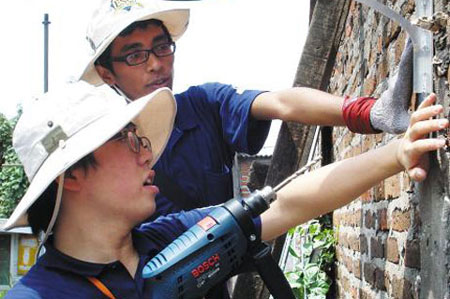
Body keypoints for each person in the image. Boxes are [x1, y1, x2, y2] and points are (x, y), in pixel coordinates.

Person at [2, 80, 446, 298]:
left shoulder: (167, 238)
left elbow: (289, 204)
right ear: (72, 175)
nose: (146, 154)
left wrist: (395, 155)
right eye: (127, 141)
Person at [79, 0, 415, 219]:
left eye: (162, 47)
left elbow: (282, 102)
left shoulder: (202, 105)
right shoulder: (100, 152)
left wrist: (369, 113)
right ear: (107, 74)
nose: (155, 64)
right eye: (136, 55)